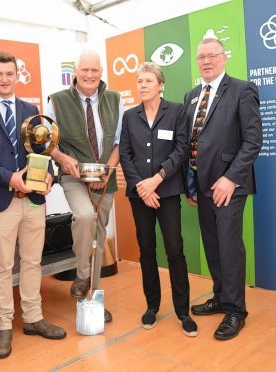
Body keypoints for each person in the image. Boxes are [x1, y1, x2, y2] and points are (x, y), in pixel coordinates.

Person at [0, 52, 66, 359]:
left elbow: (44, 150)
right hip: (2, 202)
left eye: (10, 73)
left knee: (33, 262)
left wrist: (49, 176)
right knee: (3, 266)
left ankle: (33, 319)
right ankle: (5, 325)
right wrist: (11, 178)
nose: (5, 79)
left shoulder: (30, 109)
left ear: (16, 76)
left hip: (34, 201)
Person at [185, 38, 262, 340]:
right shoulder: (192, 95)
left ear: (224, 58)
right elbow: (191, 142)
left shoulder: (242, 90)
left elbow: (253, 140)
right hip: (202, 185)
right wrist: (191, 183)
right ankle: (220, 296)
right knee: (213, 246)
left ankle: (235, 310)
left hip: (229, 185)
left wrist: (230, 178)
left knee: (230, 247)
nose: (206, 61)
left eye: (211, 56)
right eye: (201, 57)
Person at [119, 62, 197, 337]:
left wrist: (157, 180)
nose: (143, 85)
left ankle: (183, 311)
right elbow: (125, 155)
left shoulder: (176, 111)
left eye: (148, 81)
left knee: (175, 250)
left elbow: (181, 150)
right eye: (140, 81)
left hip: (167, 191)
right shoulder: (129, 116)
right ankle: (152, 306)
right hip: (140, 194)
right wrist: (143, 187)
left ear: (161, 84)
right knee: (147, 250)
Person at [47, 49, 123, 322]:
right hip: (73, 175)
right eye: (85, 70)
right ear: (75, 72)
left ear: (101, 72)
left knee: (98, 237)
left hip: (105, 177)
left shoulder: (115, 100)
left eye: (95, 70)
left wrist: (110, 168)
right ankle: (81, 276)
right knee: (86, 216)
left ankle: (93, 296)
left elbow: (119, 142)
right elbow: (47, 142)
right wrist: (62, 158)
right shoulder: (57, 101)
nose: (90, 75)